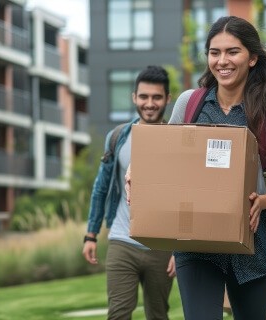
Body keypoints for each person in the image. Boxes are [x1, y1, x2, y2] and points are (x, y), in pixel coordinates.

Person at [165, 16, 266, 319]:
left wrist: (263, 201)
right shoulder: (189, 104)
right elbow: (165, 159)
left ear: (252, 58)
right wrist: (135, 173)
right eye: (215, 52)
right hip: (197, 242)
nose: (222, 61)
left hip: (252, 246)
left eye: (233, 51)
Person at [82, 65, 176, 320]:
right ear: (134, 97)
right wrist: (90, 235)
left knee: (158, 315)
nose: (150, 103)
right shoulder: (117, 138)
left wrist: (180, 251)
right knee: (118, 315)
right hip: (122, 240)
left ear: (168, 99)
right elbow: (101, 188)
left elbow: (185, 198)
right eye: (144, 97)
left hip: (161, 247)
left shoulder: (178, 140)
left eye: (157, 97)